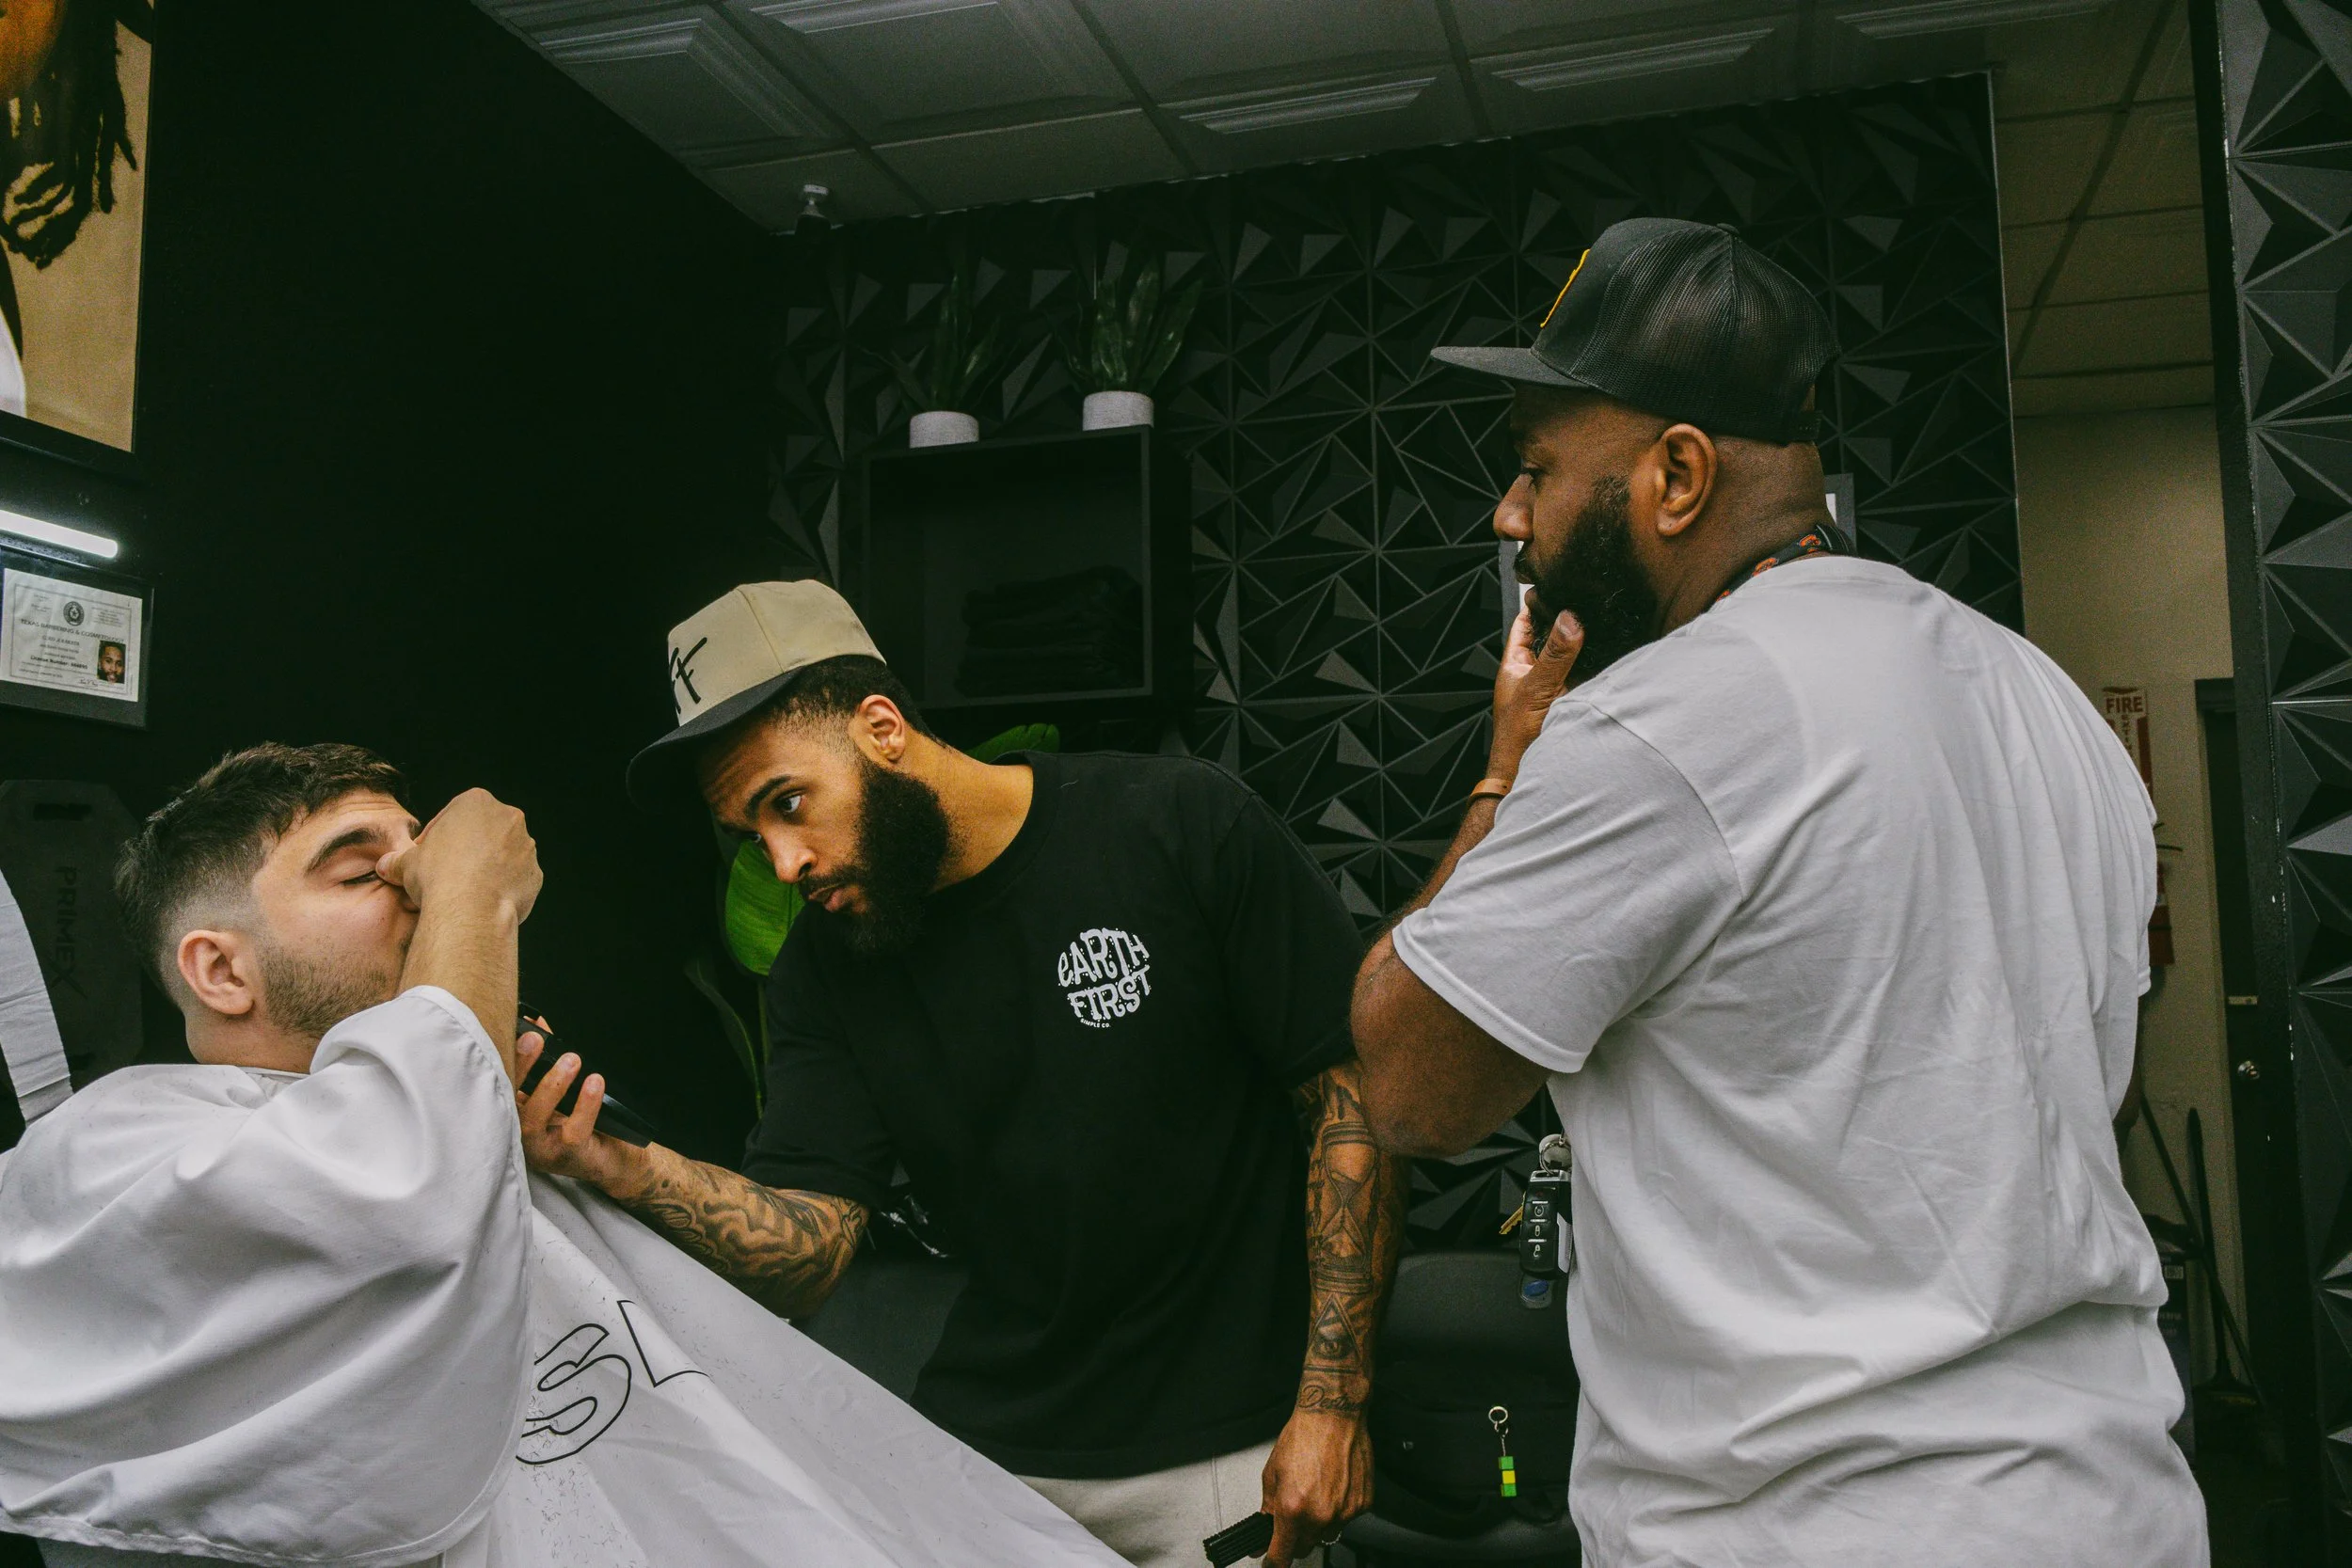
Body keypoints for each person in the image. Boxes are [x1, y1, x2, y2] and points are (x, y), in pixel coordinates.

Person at [1347, 217, 2208, 1567]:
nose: (1510, 517)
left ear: (1676, 474)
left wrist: (1504, 769)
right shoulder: (2037, 695)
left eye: (1536, 470)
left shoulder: (1663, 721)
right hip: (2105, 1504)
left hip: (1812, 1528)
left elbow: (1406, 1086)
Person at [0, 742, 1124, 1568]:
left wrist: (612, 1170)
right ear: (221, 970)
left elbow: (792, 1284)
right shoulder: (108, 1147)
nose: (426, 888)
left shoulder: (460, 1125)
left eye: (425, 859)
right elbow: (399, 1186)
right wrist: (477, 890)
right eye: (361, 870)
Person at [526, 579, 1405, 1568]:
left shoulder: (1175, 822)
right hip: (985, 1456)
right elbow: (811, 1242)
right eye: (752, 832)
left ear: (881, 726)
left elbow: (1350, 1105)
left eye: (788, 803)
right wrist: (620, 1163)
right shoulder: (825, 957)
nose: (782, 861)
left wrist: (1332, 1405)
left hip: (1217, 1449)